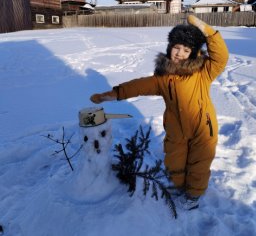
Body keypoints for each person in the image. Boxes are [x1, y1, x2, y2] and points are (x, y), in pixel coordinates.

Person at [90, 15, 229, 210]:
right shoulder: (162, 77)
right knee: (174, 163)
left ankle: (193, 195)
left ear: (194, 53)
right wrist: (112, 94)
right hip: (175, 129)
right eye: (176, 47)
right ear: (170, 47)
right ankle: (180, 187)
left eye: (186, 50)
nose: (180, 53)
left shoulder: (203, 71)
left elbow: (221, 56)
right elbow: (138, 86)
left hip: (203, 128)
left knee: (199, 163)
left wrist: (209, 32)